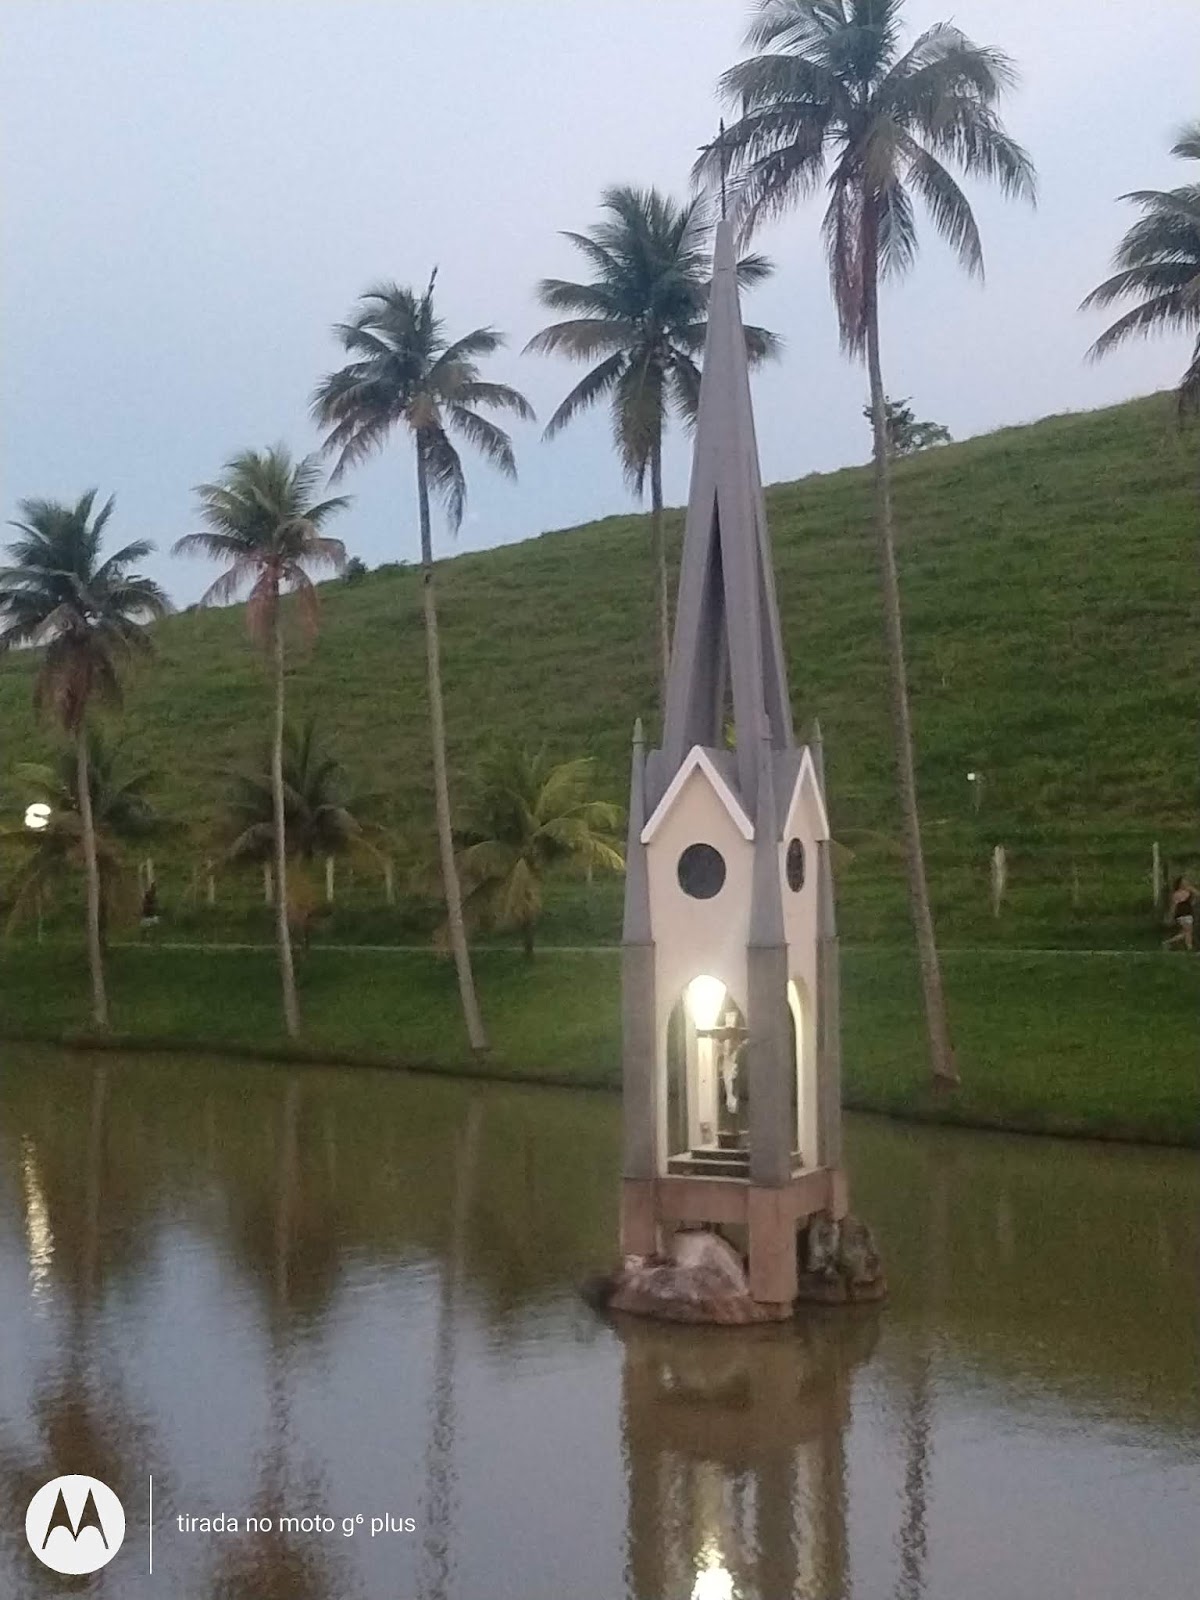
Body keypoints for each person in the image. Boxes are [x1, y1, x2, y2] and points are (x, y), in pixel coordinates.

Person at [1163, 875, 1195, 951]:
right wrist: (1171, 915)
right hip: (1181, 914)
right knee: (1188, 931)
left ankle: (1168, 942)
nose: (1185, 883)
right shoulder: (1176, 894)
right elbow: (1174, 906)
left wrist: (1191, 889)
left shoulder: (1189, 891)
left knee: (1186, 932)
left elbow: (1197, 895)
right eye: (1184, 882)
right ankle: (1189, 947)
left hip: (1189, 913)